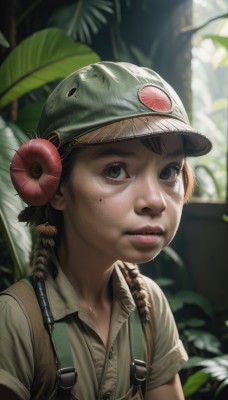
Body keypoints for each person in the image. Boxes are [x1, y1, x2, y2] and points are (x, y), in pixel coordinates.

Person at [0, 61, 212, 400]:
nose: (155, 201)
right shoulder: (14, 323)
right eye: (116, 170)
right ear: (56, 188)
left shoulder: (149, 306)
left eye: (169, 171)